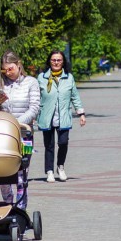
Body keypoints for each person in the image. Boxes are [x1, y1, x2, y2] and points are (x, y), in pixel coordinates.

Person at [0, 51, 40, 207]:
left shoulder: (31, 82)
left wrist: (15, 123)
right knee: (3, 172)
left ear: (18, 64)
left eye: (10, 69)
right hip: (3, 136)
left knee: (21, 173)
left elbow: (34, 108)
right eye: (4, 70)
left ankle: (21, 208)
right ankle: (7, 205)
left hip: (24, 134)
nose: (8, 73)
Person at [36, 50, 86, 183]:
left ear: (63, 62)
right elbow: (36, 97)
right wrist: (34, 113)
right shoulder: (41, 77)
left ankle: (60, 166)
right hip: (47, 116)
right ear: (49, 61)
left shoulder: (69, 77)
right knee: (49, 145)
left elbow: (75, 96)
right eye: (53, 60)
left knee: (63, 143)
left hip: (63, 117)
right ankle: (49, 171)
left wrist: (81, 113)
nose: (56, 62)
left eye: (59, 60)